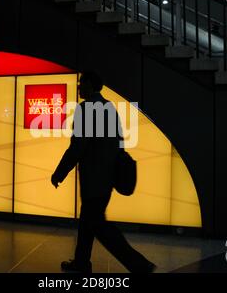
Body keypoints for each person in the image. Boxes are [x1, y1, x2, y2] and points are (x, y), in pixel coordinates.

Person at [51, 71, 156, 273]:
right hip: (106, 178)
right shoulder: (108, 108)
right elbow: (117, 143)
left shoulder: (87, 109)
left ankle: (139, 265)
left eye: (82, 83)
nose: (79, 87)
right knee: (88, 221)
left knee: (99, 226)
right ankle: (81, 263)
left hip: (93, 178)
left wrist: (59, 173)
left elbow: (77, 147)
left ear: (90, 85)